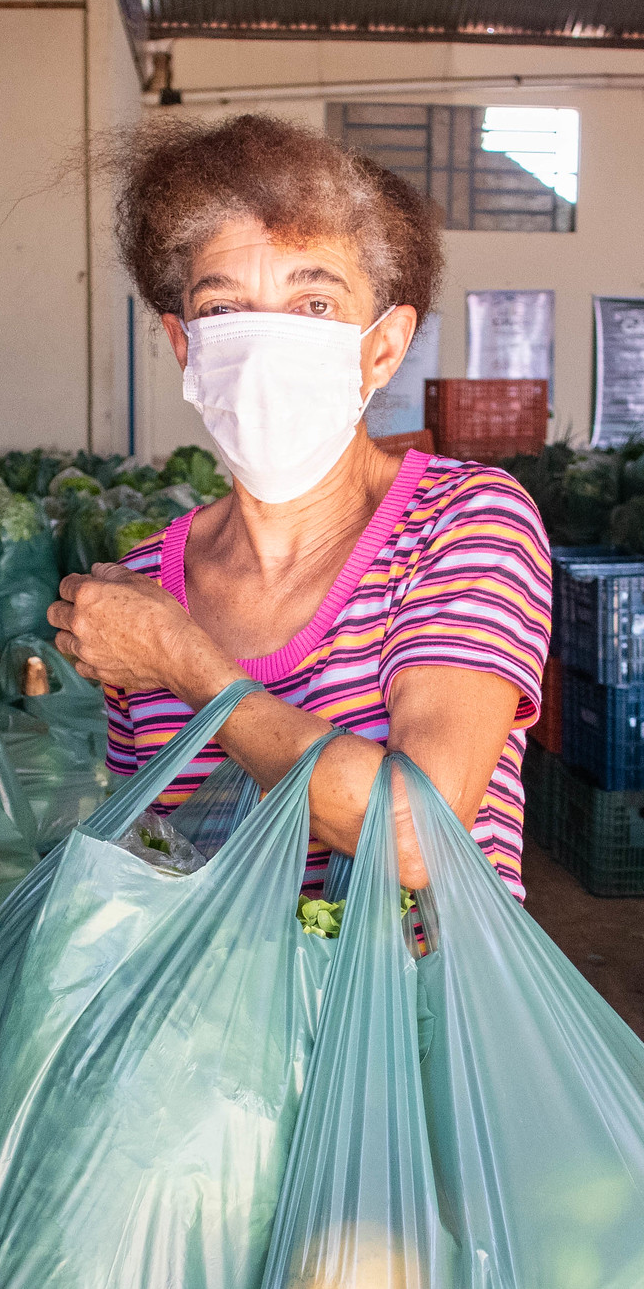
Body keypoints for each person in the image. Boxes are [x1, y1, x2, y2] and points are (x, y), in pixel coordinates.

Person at [51, 114, 551, 894]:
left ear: (382, 347)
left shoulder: (463, 525)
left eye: (313, 304)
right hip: (209, 1018)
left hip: (411, 1015)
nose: (264, 346)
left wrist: (183, 660)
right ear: (185, 347)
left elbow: (417, 838)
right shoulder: (145, 584)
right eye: (224, 309)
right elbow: (151, 865)